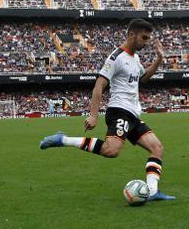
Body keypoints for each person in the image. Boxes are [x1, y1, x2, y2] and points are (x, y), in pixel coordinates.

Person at [39, 19, 175, 201]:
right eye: (143, 37)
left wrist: (158, 60)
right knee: (111, 151)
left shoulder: (135, 58)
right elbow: (99, 85)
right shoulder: (116, 57)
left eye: (148, 38)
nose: (146, 42)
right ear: (131, 35)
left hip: (133, 114)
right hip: (119, 111)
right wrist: (93, 116)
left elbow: (143, 79)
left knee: (157, 148)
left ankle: (152, 191)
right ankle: (62, 139)